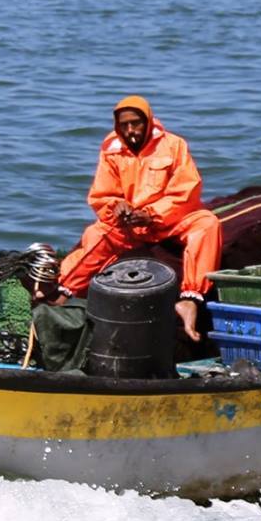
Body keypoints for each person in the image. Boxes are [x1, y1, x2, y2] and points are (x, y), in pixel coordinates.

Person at [58, 96, 223, 342]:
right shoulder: (111, 149)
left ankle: (190, 300)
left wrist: (152, 214)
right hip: (130, 226)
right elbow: (102, 195)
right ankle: (64, 291)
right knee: (95, 234)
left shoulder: (173, 145)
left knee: (207, 224)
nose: (130, 130)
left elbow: (186, 192)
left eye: (135, 123)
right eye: (124, 125)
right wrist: (117, 207)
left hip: (168, 221)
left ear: (147, 122)